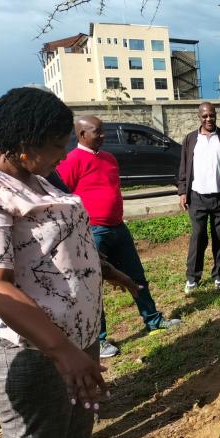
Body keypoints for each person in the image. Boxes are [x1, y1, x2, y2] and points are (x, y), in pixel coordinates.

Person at [0, 87, 135, 438]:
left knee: (74, 437)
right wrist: (63, 352)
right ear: (24, 143)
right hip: (32, 350)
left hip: (76, 340)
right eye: (58, 145)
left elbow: (57, 241)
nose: (64, 155)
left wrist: (106, 270)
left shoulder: (35, 177)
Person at [57, 115, 181, 359]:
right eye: (98, 132)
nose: (104, 135)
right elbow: (64, 198)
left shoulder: (109, 159)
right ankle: (99, 339)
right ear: (82, 135)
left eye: (103, 131)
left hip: (118, 228)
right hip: (93, 232)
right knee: (94, 285)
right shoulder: (71, 162)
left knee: (136, 274)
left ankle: (153, 320)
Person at [178, 102, 220, 294]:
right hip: (197, 197)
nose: (209, 119)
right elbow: (184, 166)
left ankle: (219, 275)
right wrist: (182, 191)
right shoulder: (191, 139)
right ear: (199, 117)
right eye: (205, 116)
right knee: (198, 237)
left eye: (212, 115)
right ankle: (192, 277)